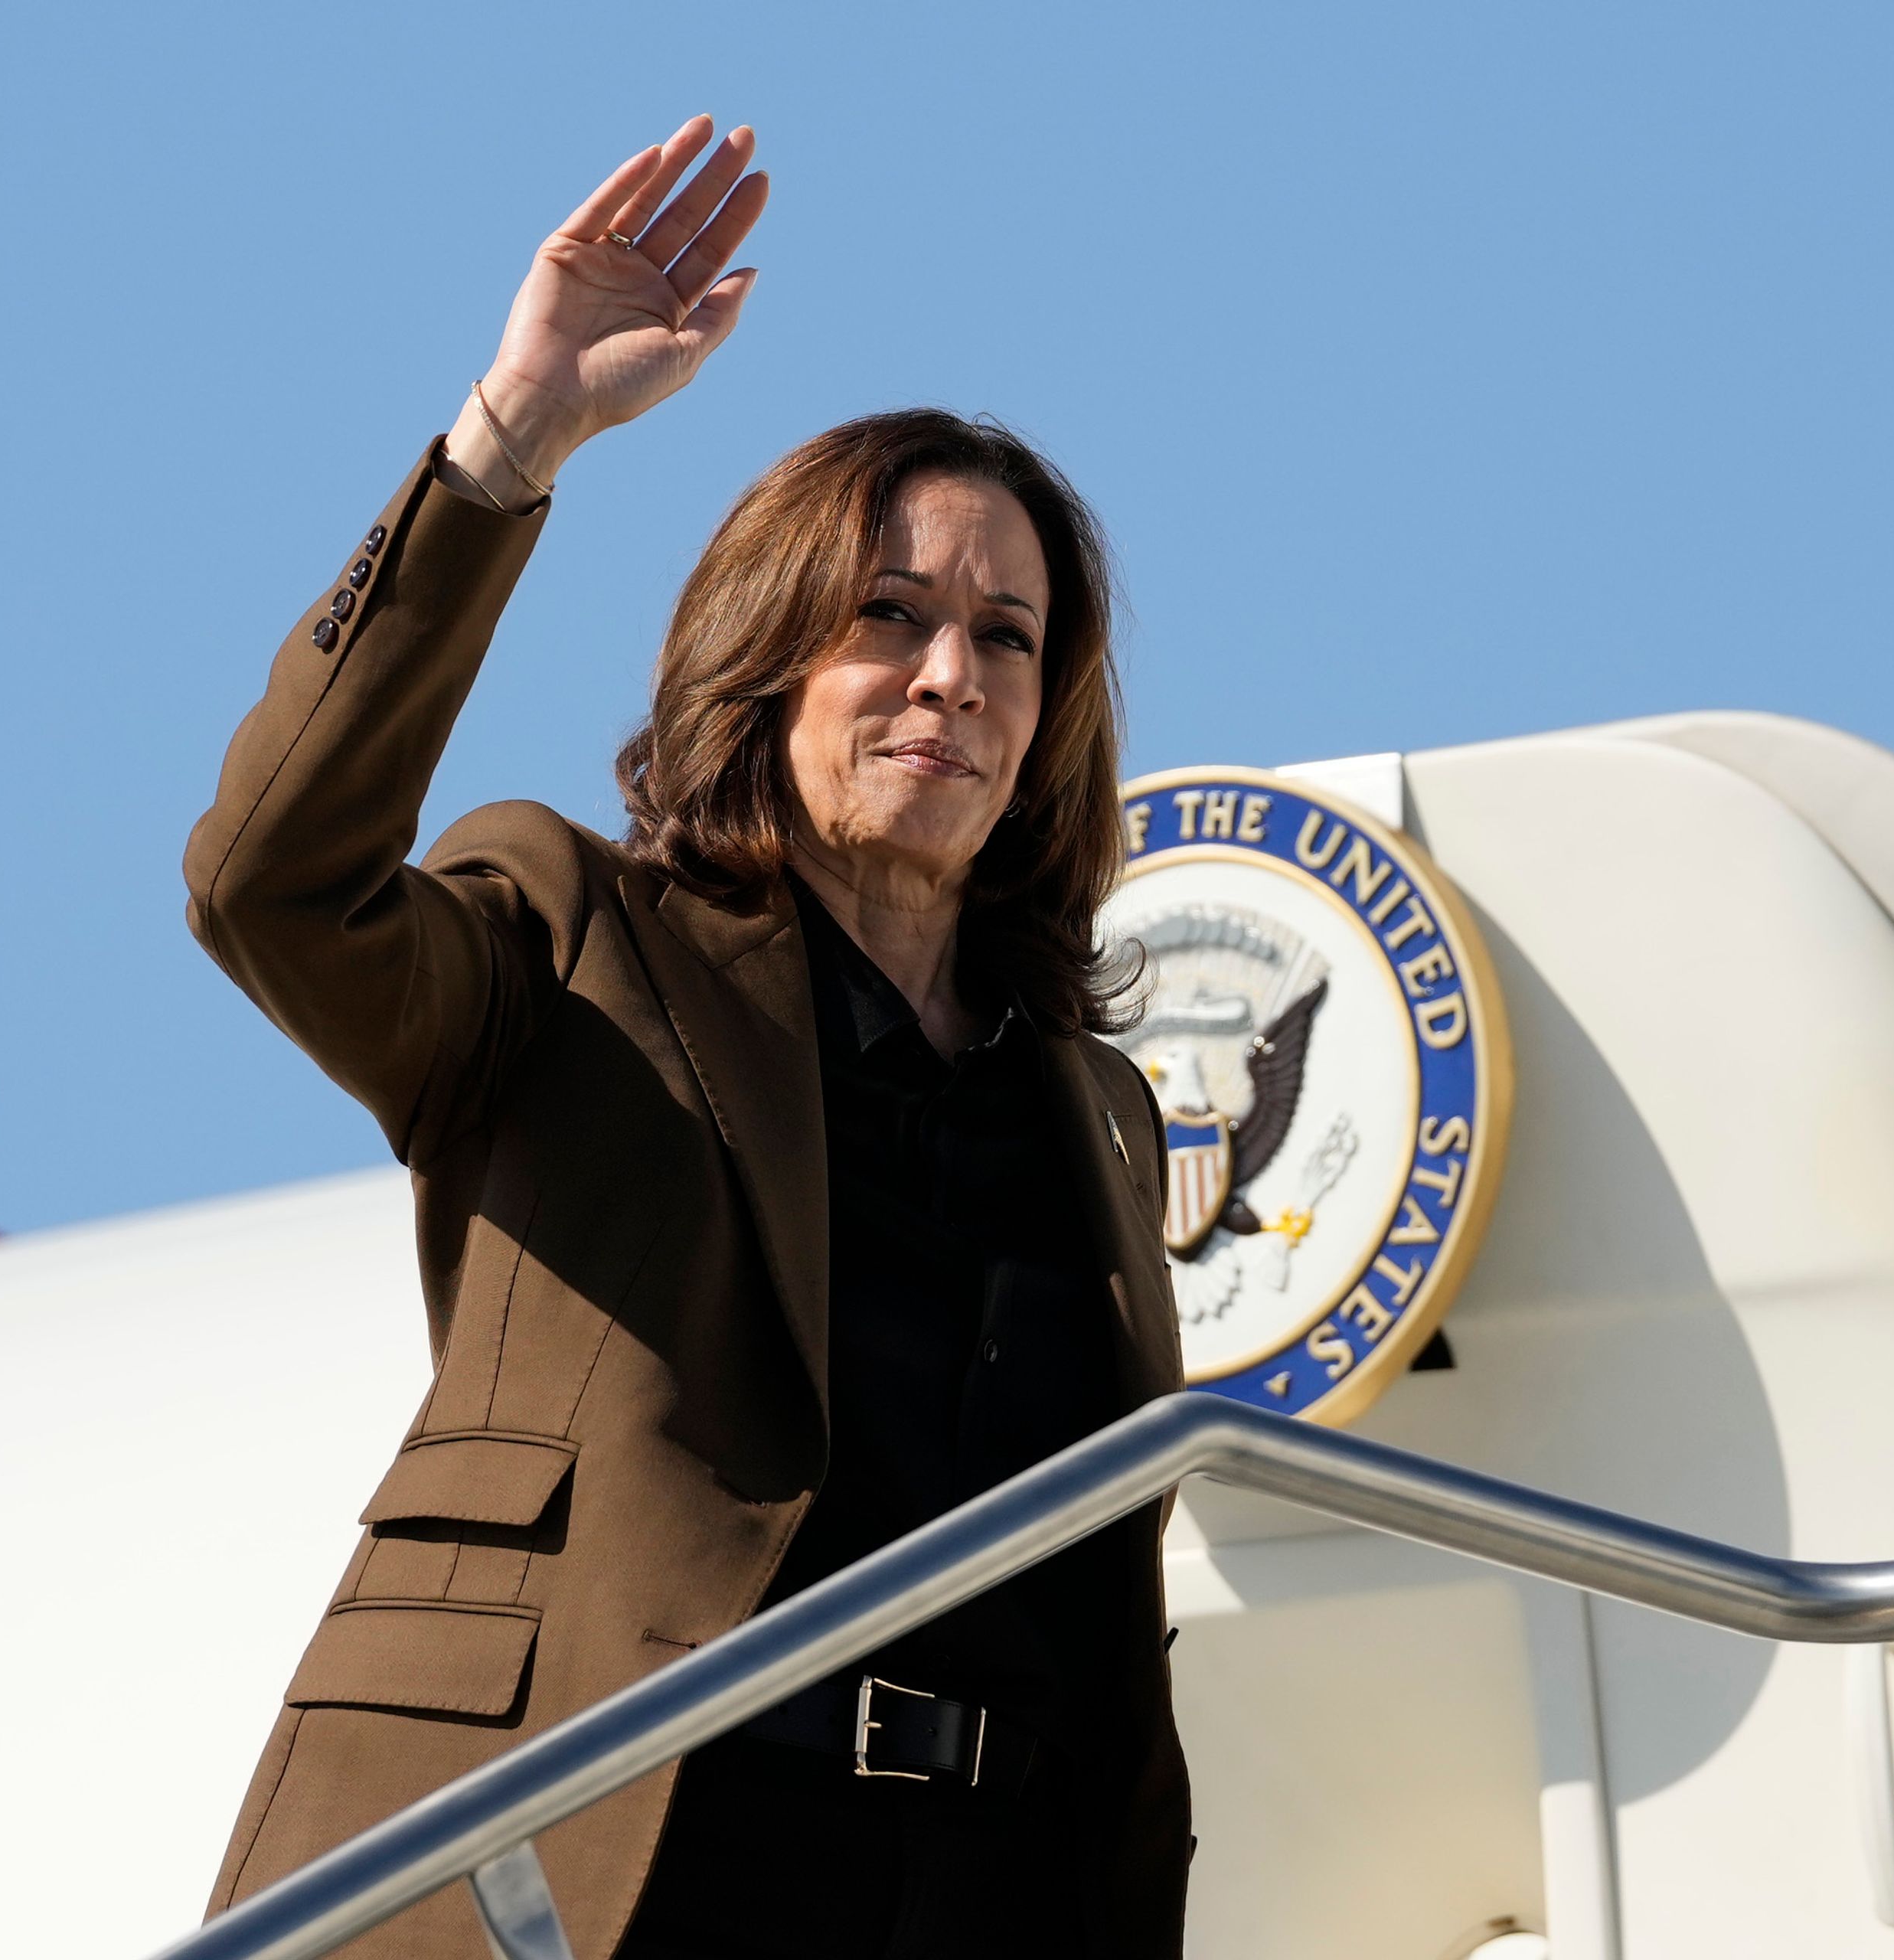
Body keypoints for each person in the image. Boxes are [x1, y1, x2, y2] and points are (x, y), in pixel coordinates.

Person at [184, 116, 1191, 1960]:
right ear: (770, 655)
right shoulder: (576, 937)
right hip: (610, 1865)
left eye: (1007, 635)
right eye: (889, 614)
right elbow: (271, 881)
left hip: (979, 1897)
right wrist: (513, 439)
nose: (951, 674)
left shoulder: (1097, 1111)